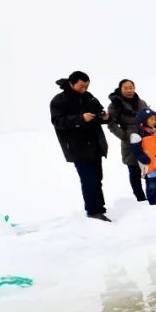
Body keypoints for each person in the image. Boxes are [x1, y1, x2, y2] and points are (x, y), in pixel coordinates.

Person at [50, 71, 111, 221]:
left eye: (87, 86)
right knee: (88, 179)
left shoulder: (88, 96)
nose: (84, 89)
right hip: (78, 147)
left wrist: (105, 117)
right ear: (71, 83)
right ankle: (93, 211)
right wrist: (80, 118)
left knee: (97, 178)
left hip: (95, 144)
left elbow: (99, 113)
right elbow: (58, 122)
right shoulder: (59, 100)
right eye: (81, 86)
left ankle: (100, 207)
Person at [105, 78, 151, 202]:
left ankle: (152, 193)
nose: (129, 90)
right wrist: (125, 136)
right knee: (134, 169)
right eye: (126, 88)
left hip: (146, 139)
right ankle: (140, 198)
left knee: (149, 168)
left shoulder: (141, 102)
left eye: (131, 87)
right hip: (129, 141)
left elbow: (150, 118)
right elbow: (111, 124)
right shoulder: (115, 105)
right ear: (120, 89)